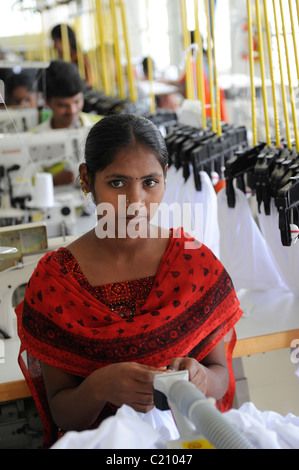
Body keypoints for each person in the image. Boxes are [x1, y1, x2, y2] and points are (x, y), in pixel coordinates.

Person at [15, 114, 242, 448]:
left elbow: (219, 375)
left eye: (149, 182)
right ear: (86, 179)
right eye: (117, 183)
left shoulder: (194, 263)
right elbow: (62, 411)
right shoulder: (56, 282)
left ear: (165, 178)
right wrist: (98, 387)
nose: (135, 201)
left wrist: (200, 377)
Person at [33, 60, 101, 185]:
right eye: (63, 105)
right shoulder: (32, 139)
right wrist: (53, 181)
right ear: (46, 101)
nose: (72, 110)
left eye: (77, 101)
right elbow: (22, 182)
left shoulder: (102, 127)